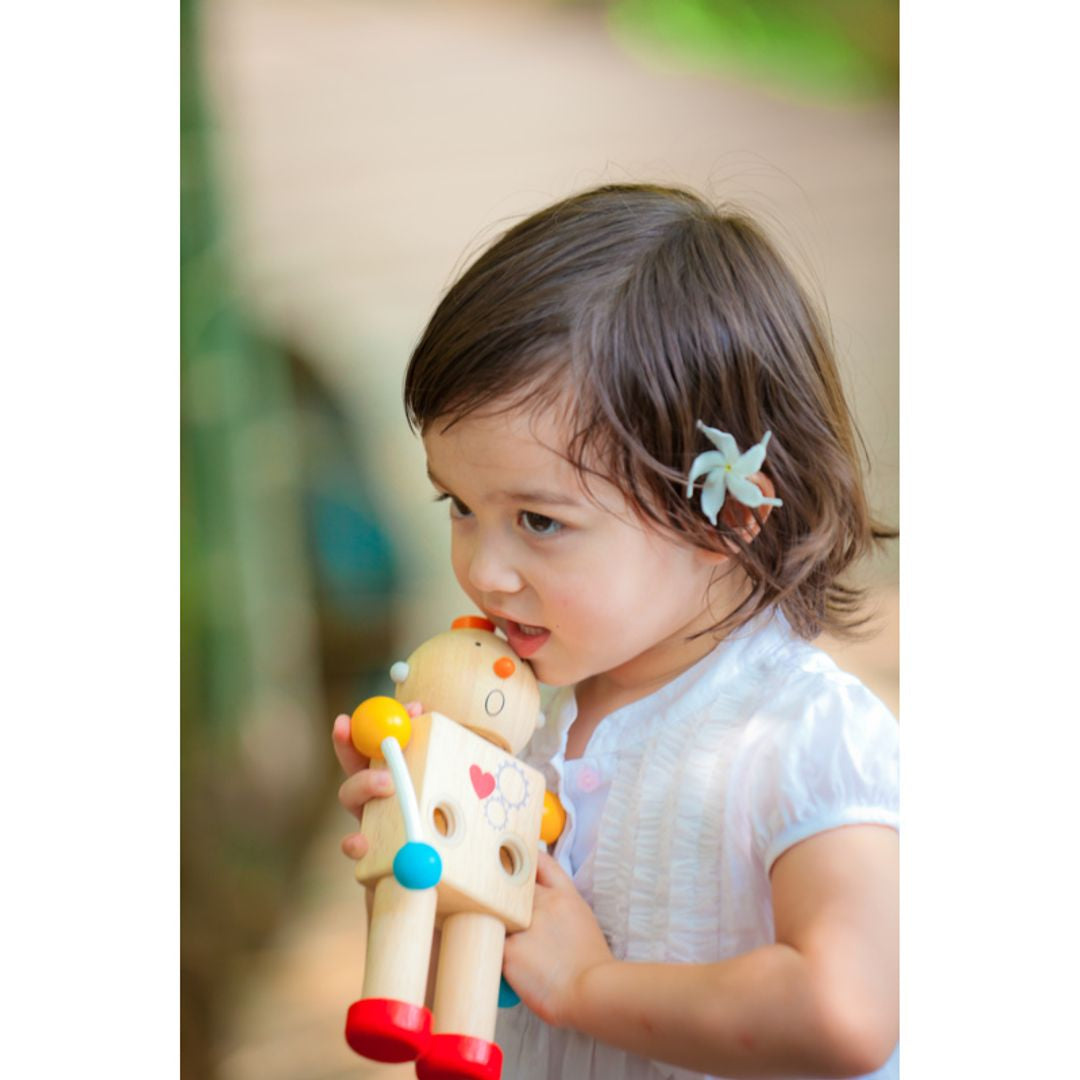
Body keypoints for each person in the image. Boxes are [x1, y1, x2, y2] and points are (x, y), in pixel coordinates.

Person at [332, 184, 899, 1080]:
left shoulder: (803, 738)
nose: (484, 570)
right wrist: (422, 864)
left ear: (724, 515)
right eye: (460, 506)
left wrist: (592, 986)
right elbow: (488, 997)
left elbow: (845, 1013)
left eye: (539, 521)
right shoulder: (528, 732)